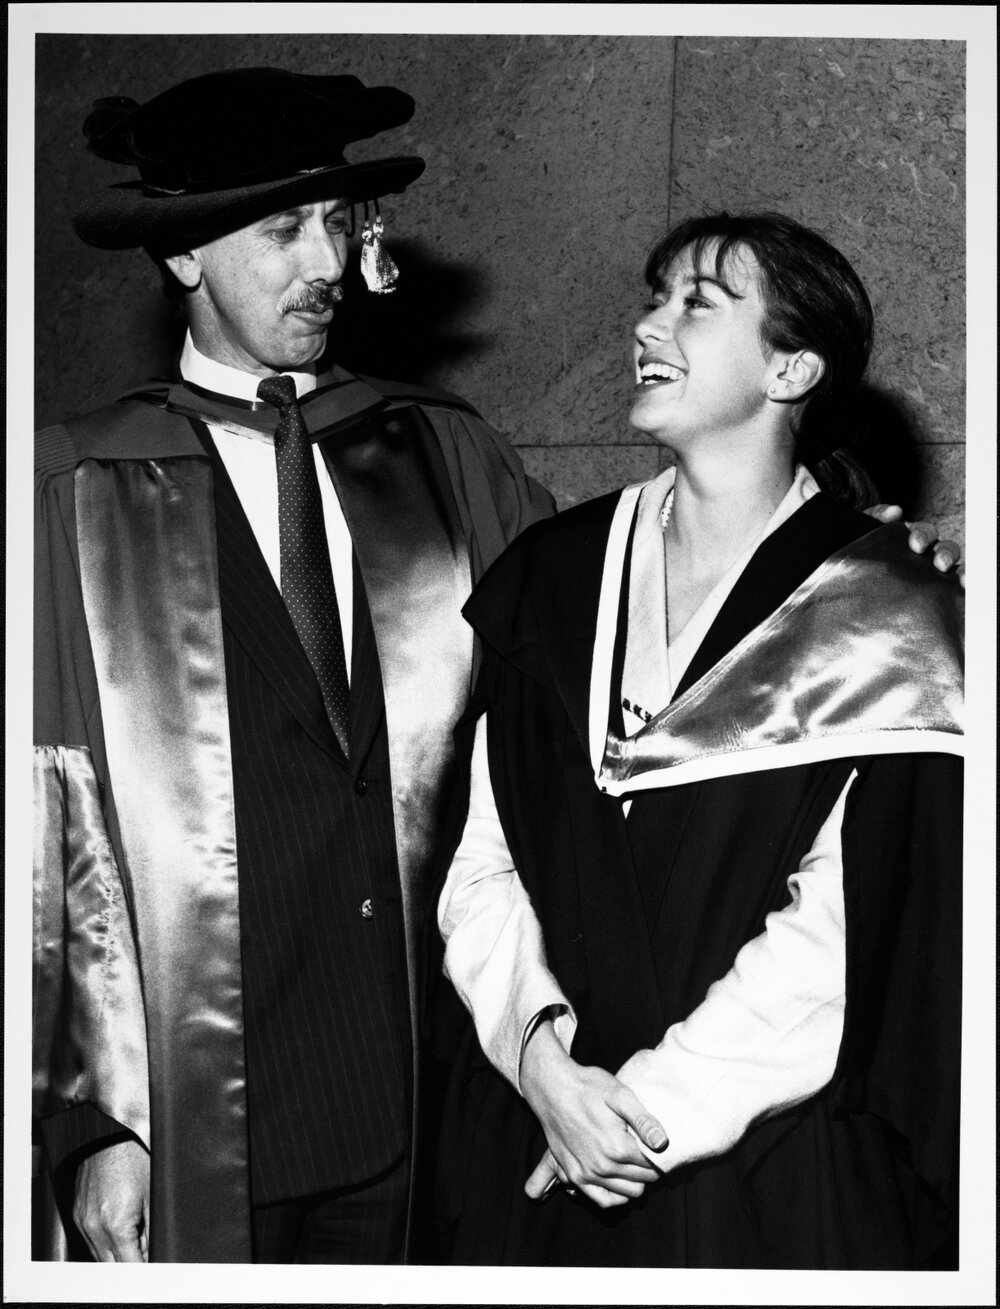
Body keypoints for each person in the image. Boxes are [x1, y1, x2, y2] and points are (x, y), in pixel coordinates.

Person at [32, 66, 553, 1264]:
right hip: (202, 1112)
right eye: (281, 230)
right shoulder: (72, 492)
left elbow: (601, 624)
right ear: (182, 258)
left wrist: (819, 545)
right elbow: (40, 823)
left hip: (431, 1103)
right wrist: (87, 1116)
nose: (323, 262)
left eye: (338, 223)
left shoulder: (437, 456)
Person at [436, 212, 964, 1268]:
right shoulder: (550, 575)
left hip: (763, 1165)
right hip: (542, 1134)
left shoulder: (889, 612)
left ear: (791, 366)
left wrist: (640, 1113)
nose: (646, 325)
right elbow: (477, 856)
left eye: (696, 303)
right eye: (653, 295)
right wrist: (540, 1060)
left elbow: (844, 937)